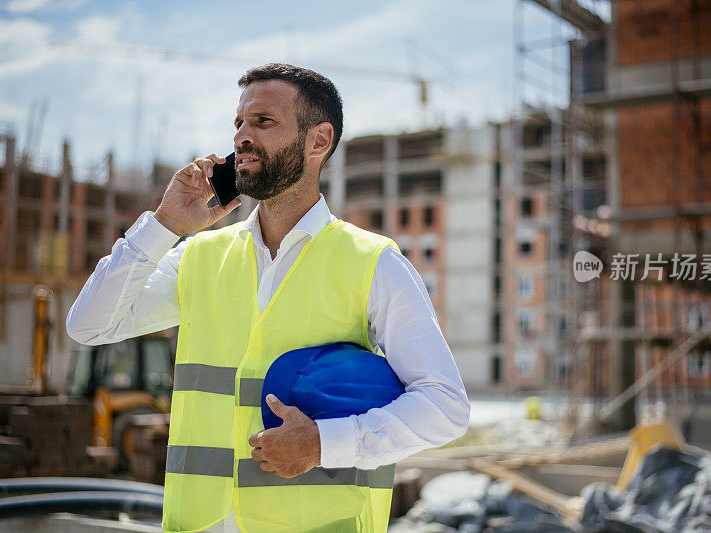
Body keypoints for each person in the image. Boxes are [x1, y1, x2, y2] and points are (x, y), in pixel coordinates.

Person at [67, 63, 470, 533]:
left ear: (318, 141)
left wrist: (324, 442)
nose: (241, 136)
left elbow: (445, 407)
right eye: (238, 123)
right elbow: (88, 325)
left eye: (263, 122)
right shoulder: (199, 255)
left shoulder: (373, 263)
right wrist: (163, 226)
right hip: (199, 524)